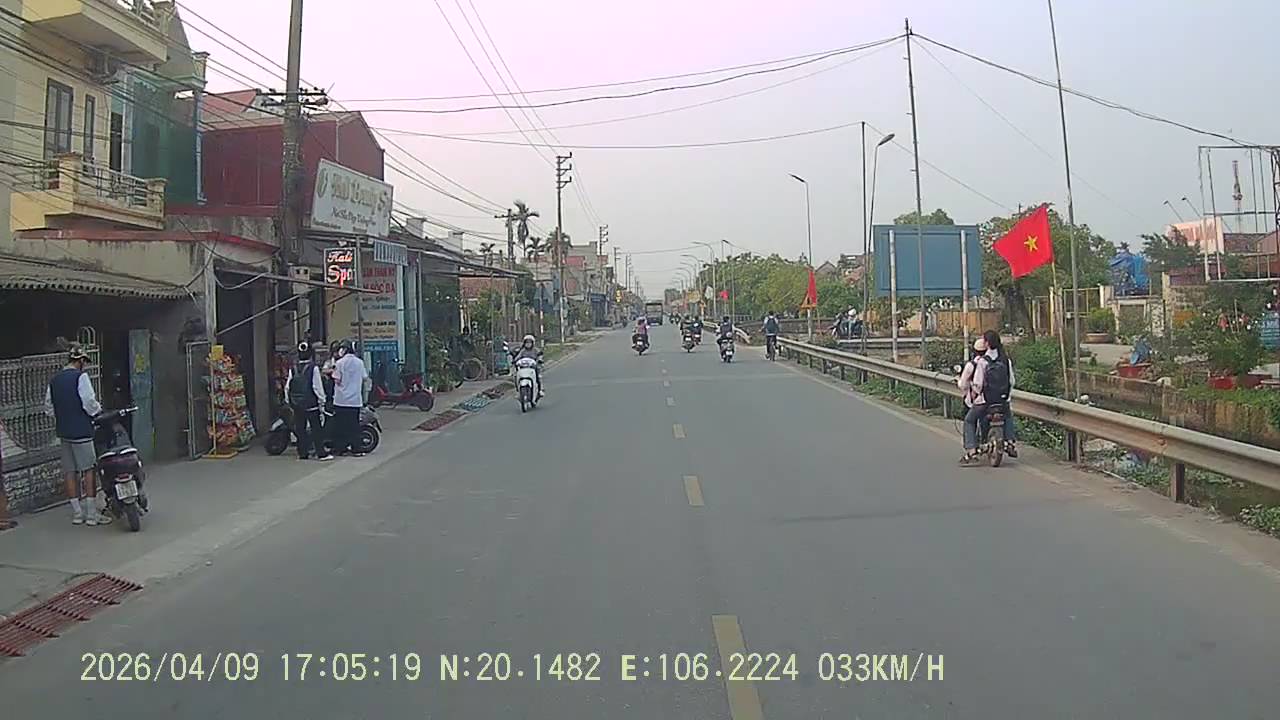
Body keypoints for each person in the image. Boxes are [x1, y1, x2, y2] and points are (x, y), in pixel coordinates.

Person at [43, 345, 109, 526]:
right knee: (88, 470)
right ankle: (92, 515)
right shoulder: (81, 377)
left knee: (70, 472)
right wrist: (97, 411)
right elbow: (88, 402)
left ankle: (77, 514)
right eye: (84, 362)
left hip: (64, 432)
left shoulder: (54, 380)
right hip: (81, 431)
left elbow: (48, 407)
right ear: (80, 361)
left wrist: (64, 416)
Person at [957, 332, 1017, 465]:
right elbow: (1012, 381)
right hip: (1002, 400)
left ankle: (971, 450)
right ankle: (1010, 442)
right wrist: (1005, 396)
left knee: (969, 420)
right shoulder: (1005, 360)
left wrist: (976, 394)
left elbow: (978, 384)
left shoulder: (982, 362)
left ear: (987, 343)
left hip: (985, 401)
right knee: (1008, 415)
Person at [285, 341, 331, 461]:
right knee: (316, 429)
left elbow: (288, 387)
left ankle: (302, 453)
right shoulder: (313, 368)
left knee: (300, 429)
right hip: (311, 404)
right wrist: (322, 400)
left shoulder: (293, 368)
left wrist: (289, 401)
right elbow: (317, 387)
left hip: (297, 405)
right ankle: (321, 453)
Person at [330, 339, 368, 457]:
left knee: (340, 426)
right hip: (355, 400)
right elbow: (365, 377)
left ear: (344, 350)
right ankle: (357, 449)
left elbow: (337, 379)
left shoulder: (340, 363)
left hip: (341, 400)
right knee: (354, 426)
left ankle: (341, 448)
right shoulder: (360, 363)